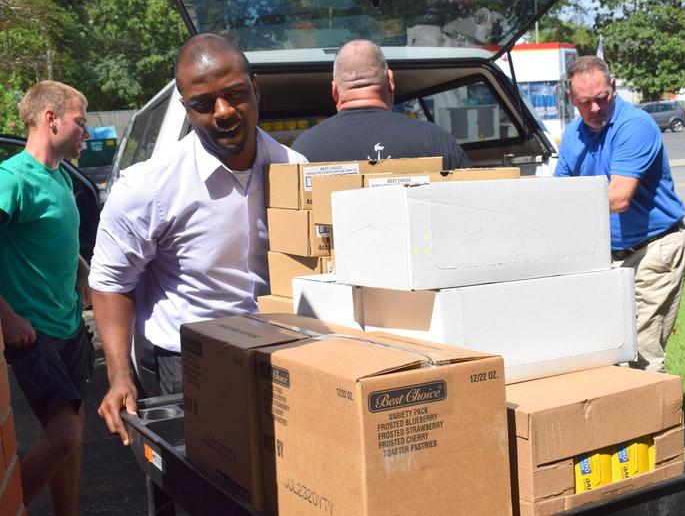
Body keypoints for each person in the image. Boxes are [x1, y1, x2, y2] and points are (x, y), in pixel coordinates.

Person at [89, 33, 307, 445]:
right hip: (187, 365)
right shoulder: (149, 188)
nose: (223, 112)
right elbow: (110, 282)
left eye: (235, 94)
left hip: (281, 354)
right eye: (203, 104)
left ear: (255, 88)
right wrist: (119, 375)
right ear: (186, 108)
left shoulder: (295, 169)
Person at [555, 55, 685, 373]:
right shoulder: (573, 135)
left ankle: (652, 404)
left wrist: (560, 209)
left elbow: (618, 198)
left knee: (640, 353)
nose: (596, 108)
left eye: (602, 98)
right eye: (585, 102)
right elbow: (559, 195)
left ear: (613, 87)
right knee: (605, 347)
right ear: (571, 98)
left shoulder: (635, 126)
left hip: (654, 249)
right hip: (608, 255)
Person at [0, 80, 93, 515]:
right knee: (65, 434)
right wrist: (7, 318)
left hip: (69, 326)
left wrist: (84, 275)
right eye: (80, 122)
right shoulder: (12, 179)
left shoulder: (60, 176)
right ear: (50, 118)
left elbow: (59, 237)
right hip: (33, 333)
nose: (86, 133)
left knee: (75, 426)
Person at [292, 39, 470, 170]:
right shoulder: (434, 140)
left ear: (334, 91)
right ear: (390, 80)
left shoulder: (303, 150)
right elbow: (470, 200)